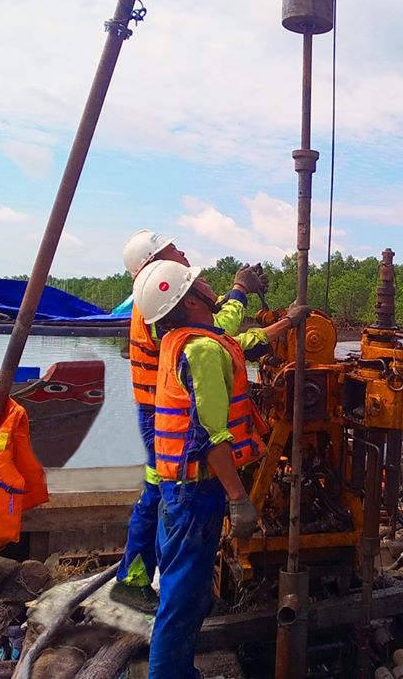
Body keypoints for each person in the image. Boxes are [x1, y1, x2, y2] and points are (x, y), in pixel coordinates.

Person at [132, 259, 309, 679]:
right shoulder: (202, 351)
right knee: (182, 599)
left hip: (181, 490)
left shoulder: (184, 339)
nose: (210, 286)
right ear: (192, 299)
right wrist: (239, 499)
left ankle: (179, 672)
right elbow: (210, 436)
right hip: (195, 493)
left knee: (188, 595)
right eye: (199, 283)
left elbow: (241, 339)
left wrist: (286, 323)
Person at [113, 229, 268, 611]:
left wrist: (268, 331)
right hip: (166, 416)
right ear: (153, 265)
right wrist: (239, 291)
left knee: (161, 495)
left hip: (158, 408)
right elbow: (219, 331)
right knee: (164, 496)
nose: (180, 253)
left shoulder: (151, 305)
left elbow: (220, 336)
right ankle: (140, 584)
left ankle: (158, 583)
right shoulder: (158, 306)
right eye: (171, 250)